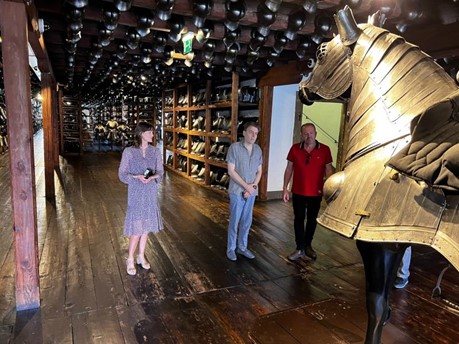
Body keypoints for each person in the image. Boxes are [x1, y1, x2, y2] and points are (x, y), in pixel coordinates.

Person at [283, 123, 334, 261]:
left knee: (312, 220)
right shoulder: (295, 149)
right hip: (298, 191)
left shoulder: (325, 150)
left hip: (316, 193)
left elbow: (328, 169)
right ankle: (299, 248)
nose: (309, 136)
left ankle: (308, 246)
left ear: (315, 134)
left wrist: (329, 190)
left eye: (311, 133)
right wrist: (285, 188)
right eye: (306, 133)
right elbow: (289, 169)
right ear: (301, 135)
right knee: (298, 219)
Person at [118, 121, 164, 276]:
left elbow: (160, 172)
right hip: (136, 192)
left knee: (146, 227)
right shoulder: (129, 152)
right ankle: (130, 258)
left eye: (152, 132)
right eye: (149, 132)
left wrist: (153, 178)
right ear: (141, 134)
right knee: (137, 227)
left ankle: (141, 255)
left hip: (150, 192)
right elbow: (122, 174)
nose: (152, 134)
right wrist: (136, 177)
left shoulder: (155, 151)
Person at [226, 122, 263, 261]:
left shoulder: (258, 150)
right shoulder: (234, 148)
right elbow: (231, 171)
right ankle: (231, 248)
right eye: (251, 132)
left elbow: (259, 171)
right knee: (235, 220)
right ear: (244, 133)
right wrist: (246, 186)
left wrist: (253, 186)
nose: (254, 135)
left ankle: (242, 247)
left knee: (247, 221)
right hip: (237, 191)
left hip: (251, 192)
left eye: (256, 133)